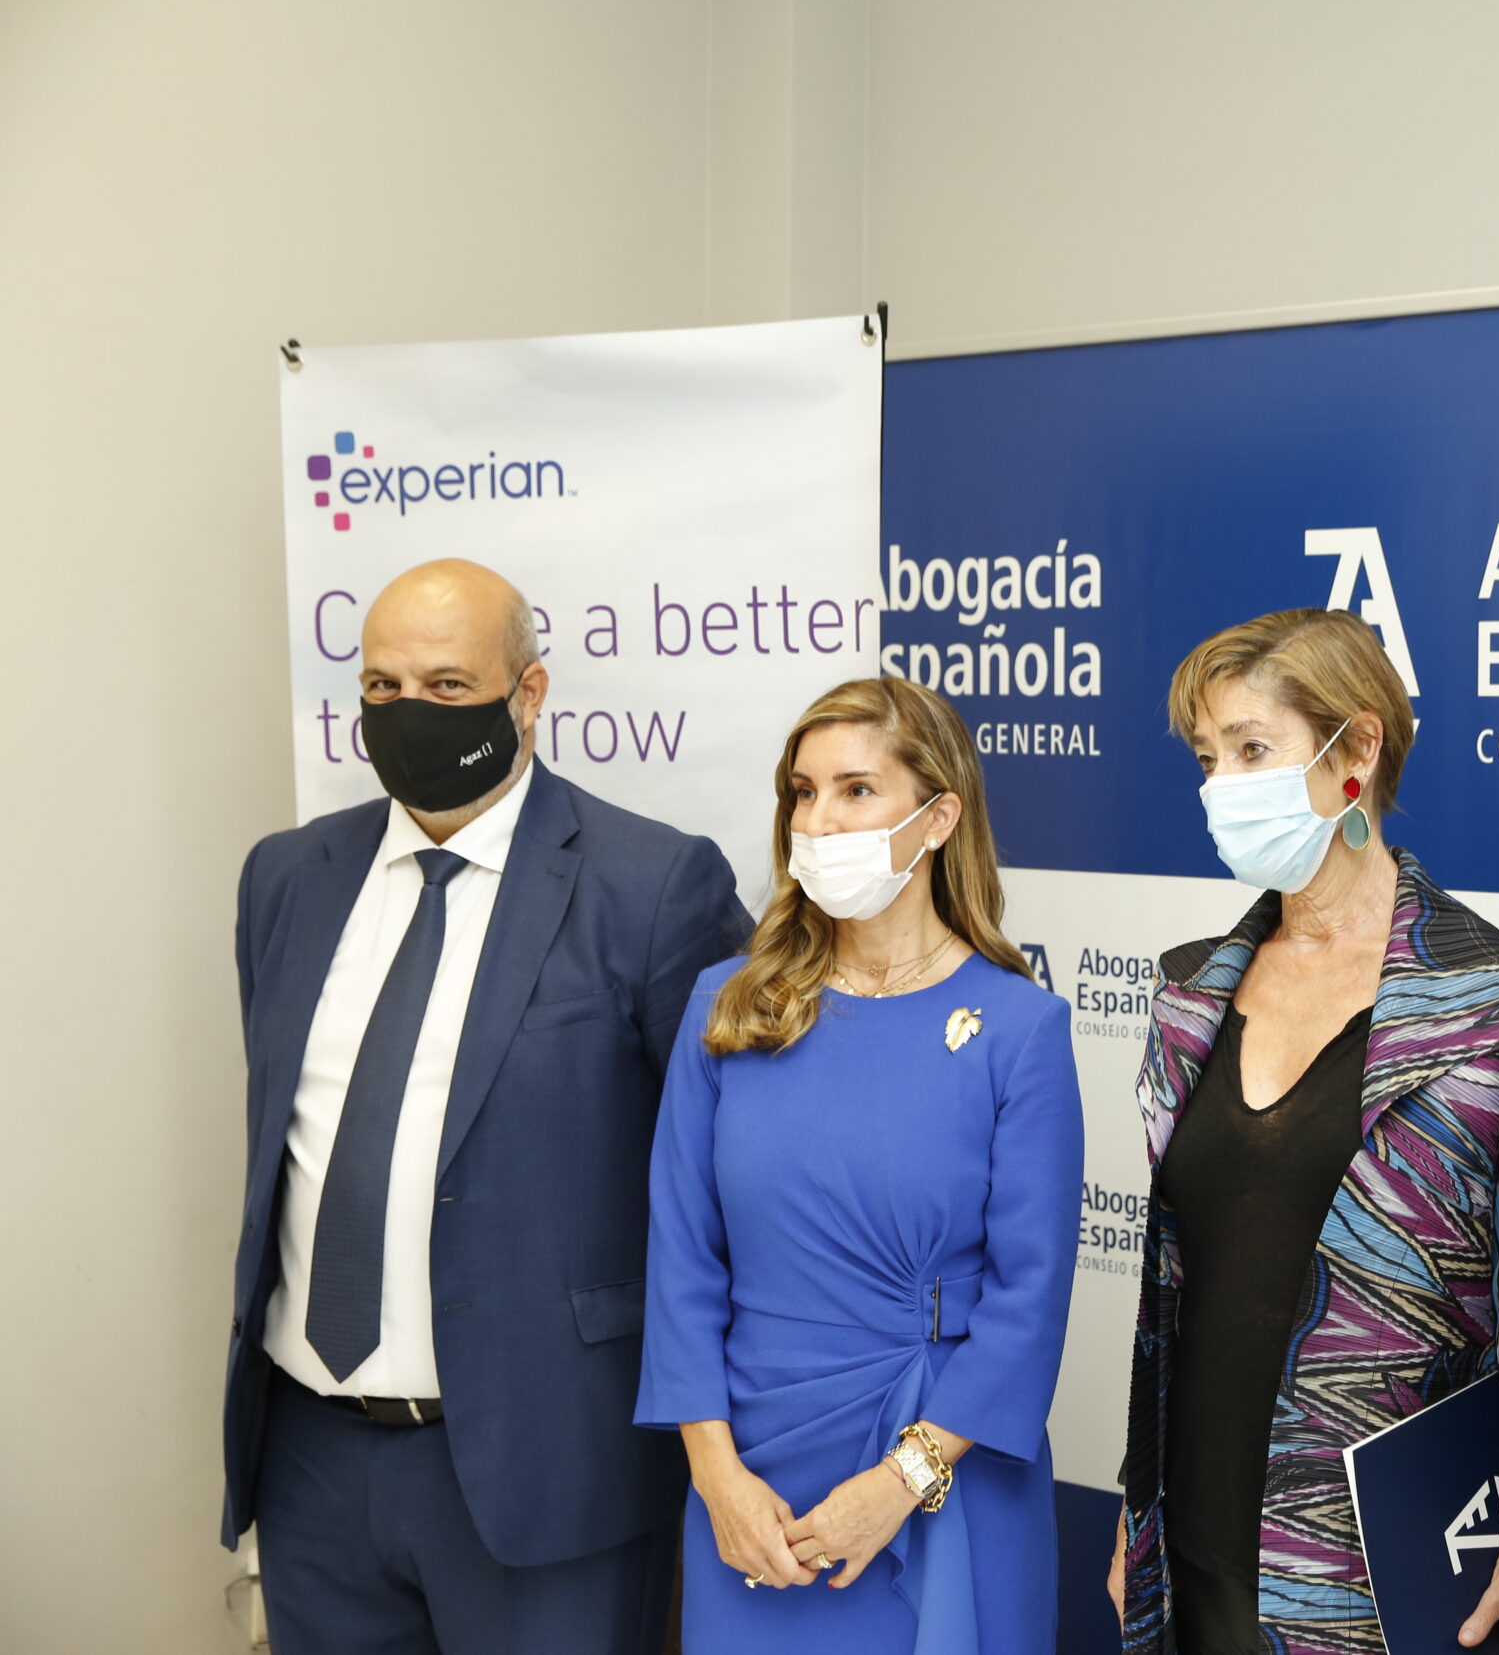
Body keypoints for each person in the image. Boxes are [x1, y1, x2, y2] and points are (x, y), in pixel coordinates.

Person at [221, 559, 749, 1653]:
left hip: (547, 1471)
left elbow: (730, 1180)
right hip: (312, 1463)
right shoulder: (286, 878)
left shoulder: (653, 887)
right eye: (382, 686)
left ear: (530, 692)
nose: (408, 711)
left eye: (448, 686)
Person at [1108, 608, 1499, 1655]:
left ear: (1357, 748)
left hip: (1391, 1566)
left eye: (1251, 750)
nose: (1220, 787)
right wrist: (1137, 1514)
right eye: (1207, 757)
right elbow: (1171, 1296)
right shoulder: (1189, 996)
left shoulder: (1487, 1002)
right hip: (1196, 1541)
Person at [639, 675, 1082, 1654]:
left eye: (855, 790)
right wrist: (716, 1476)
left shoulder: (1020, 1027)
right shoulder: (728, 1006)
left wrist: (901, 1482)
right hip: (748, 1485)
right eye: (803, 792)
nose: (817, 819)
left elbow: (1029, 1299)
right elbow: (680, 1264)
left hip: (943, 1471)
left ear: (939, 818)